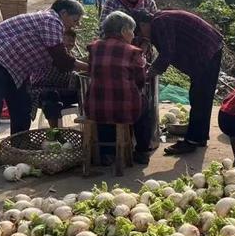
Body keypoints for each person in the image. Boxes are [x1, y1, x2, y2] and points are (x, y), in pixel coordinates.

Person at [0, 0, 87, 166]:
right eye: (74, 20)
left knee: (22, 105)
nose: (74, 25)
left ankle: (20, 145)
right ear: (63, 13)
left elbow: (59, 59)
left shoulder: (51, 22)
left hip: (15, 66)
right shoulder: (51, 20)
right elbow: (62, 60)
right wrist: (91, 67)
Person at [134, 10, 224, 156]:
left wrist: (149, 73)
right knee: (201, 95)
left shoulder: (160, 22)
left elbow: (167, 52)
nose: (142, 36)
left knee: (200, 96)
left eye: (139, 32)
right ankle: (199, 137)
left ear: (144, 24)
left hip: (207, 50)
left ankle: (192, 141)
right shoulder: (159, 21)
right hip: (208, 49)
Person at [84, 11, 153, 164]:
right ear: (123, 31)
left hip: (94, 108)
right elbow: (140, 80)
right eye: (132, 31)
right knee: (144, 106)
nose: (133, 35)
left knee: (105, 105)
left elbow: (90, 72)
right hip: (124, 110)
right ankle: (142, 151)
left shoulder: (93, 48)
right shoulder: (134, 52)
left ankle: (107, 153)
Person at [32, 29, 81, 128]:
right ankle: (55, 133)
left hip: (63, 91)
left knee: (86, 93)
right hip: (42, 90)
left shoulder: (72, 56)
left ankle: (90, 128)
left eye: (72, 43)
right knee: (51, 96)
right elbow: (64, 65)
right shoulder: (48, 53)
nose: (69, 45)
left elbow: (73, 75)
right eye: (66, 43)